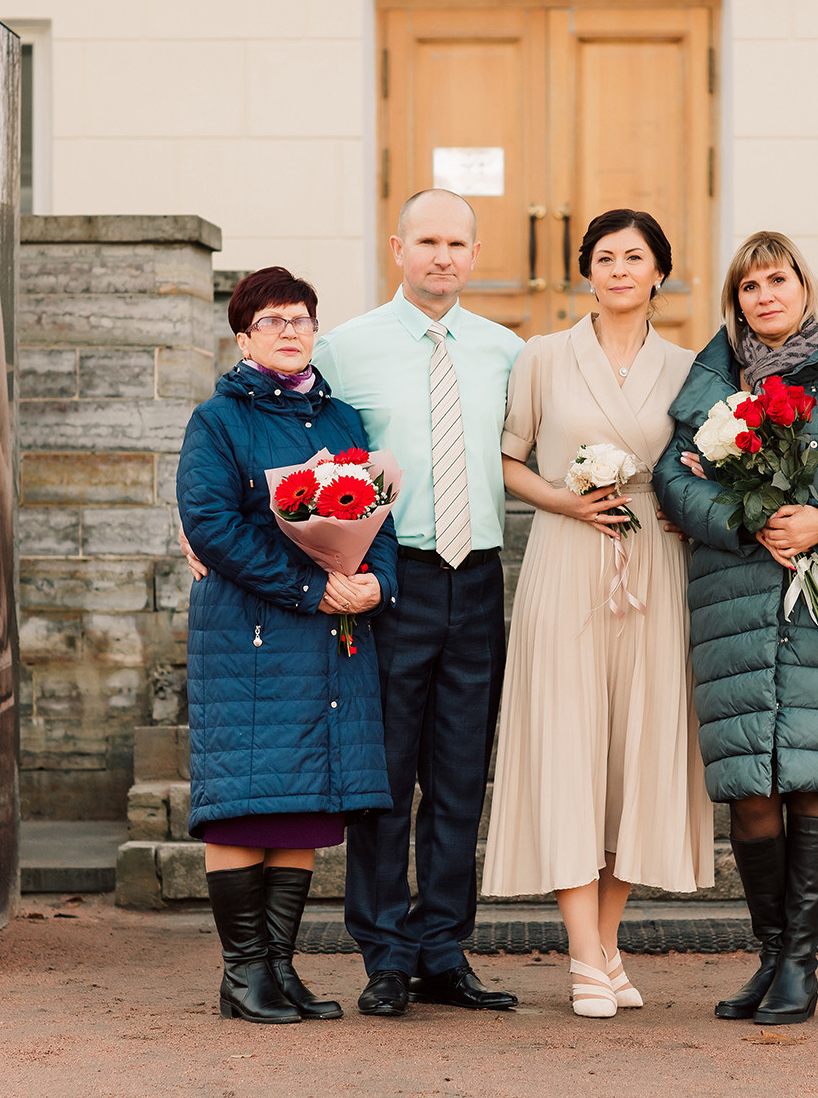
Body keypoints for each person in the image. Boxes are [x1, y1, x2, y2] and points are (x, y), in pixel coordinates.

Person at [654, 231, 818, 1027]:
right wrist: (747, 516)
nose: (765, 295)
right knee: (751, 787)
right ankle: (771, 954)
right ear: (734, 303)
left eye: (778, 279)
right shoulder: (709, 382)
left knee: (812, 779)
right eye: (749, 286)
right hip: (737, 595)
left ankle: (801, 962)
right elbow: (670, 479)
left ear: (804, 287)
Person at [480, 210, 714, 1018]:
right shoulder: (541, 357)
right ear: (587, 271)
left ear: (659, 272)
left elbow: (703, 467)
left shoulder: (690, 366)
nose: (619, 268)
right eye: (605, 256)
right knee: (570, 744)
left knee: (635, 753)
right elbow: (509, 458)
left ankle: (606, 942)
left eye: (635, 256)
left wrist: (690, 509)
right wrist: (567, 504)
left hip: (653, 564)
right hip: (567, 558)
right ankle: (582, 953)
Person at [311, 189, 526, 1017]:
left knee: (461, 775)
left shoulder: (507, 351)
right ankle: (385, 955)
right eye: (427, 240)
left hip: (475, 578)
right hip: (387, 582)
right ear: (397, 247)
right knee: (385, 777)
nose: (442, 256)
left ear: (475, 255)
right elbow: (303, 452)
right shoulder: (346, 348)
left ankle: (443, 947)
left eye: (457, 243)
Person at [176, 267, 399, 1025]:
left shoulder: (340, 420)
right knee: (245, 804)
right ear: (244, 336)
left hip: (326, 641)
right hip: (250, 635)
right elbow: (211, 525)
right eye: (271, 320)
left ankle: (280, 969)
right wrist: (312, 587)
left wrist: (376, 582)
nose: (289, 330)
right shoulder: (219, 420)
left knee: (301, 804)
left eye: (300, 318)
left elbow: (380, 513)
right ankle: (244, 974)